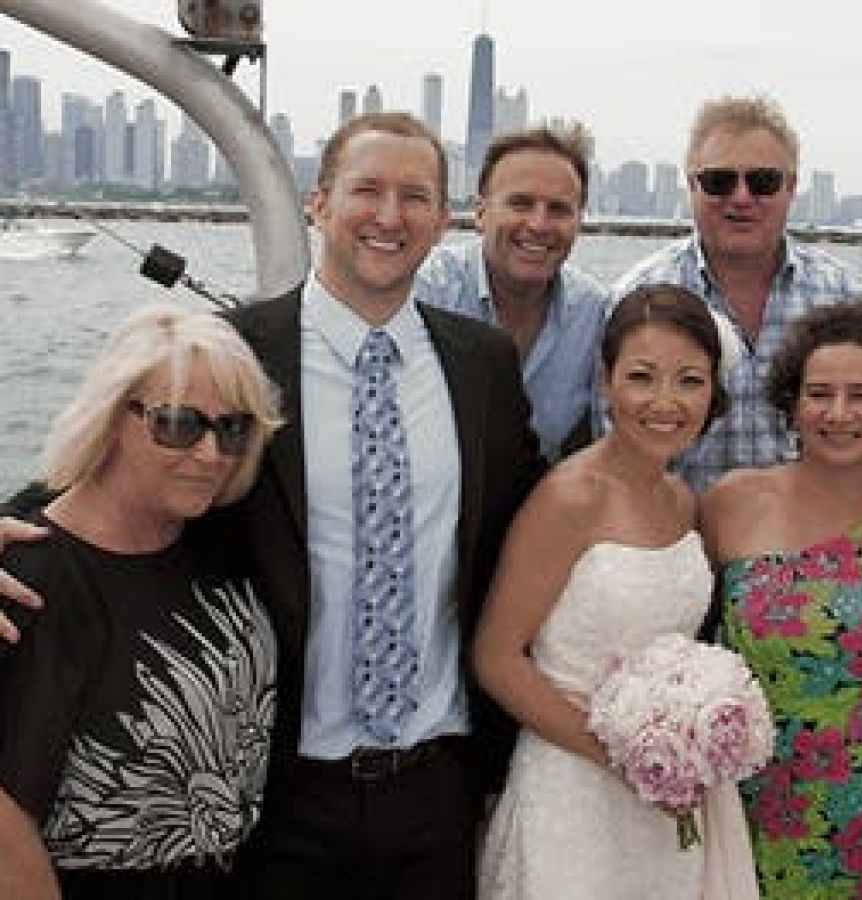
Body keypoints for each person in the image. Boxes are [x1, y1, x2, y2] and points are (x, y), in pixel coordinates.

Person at [1, 112, 545, 900]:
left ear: (445, 220)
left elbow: (531, 518)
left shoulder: (484, 365)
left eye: (414, 196)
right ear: (318, 203)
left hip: (437, 784)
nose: (389, 216)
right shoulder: (234, 351)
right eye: (367, 190)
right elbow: (109, 464)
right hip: (275, 794)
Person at [472, 284, 757, 899]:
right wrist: (626, 756)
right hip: (573, 788)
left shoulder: (683, 502)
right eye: (642, 377)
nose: (665, 402)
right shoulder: (568, 498)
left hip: (670, 798)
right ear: (605, 381)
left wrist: (685, 748)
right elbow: (496, 657)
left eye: (689, 381)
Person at [0, 304, 283, 899]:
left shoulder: (211, 538)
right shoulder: (35, 576)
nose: (210, 454)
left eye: (232, 429)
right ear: (111, 417)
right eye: (177, 424)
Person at [701, 302, 862, 899]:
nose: (839, 414)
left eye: (861, 395)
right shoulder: (730, 503)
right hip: (752, 808)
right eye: (819, 394)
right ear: (791, 404)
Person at [612, 95, 861, 492]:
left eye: (763, 181)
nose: (741, 198)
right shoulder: (637, 297)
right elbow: (611, 440)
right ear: (691, 185)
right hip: (677, 538)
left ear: (791, 187)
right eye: (719, 181)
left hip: (813, 542)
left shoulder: (842, 295)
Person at [418, 125, 608, 461]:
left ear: (580, 220)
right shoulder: (425, 294)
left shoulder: (594, 315)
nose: (538, 224)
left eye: (559, 209)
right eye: (520, 204)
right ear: (480, 213)